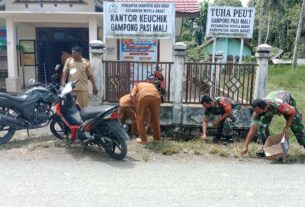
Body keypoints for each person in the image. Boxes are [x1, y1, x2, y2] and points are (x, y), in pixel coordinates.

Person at [241, 90, 305, 157]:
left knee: (297, 127)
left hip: (287, 100)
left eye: (257, 111)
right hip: (271, 101)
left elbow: (292, 112)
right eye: (255, 111)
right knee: (262, 127)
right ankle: (268, 149)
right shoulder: (257, 113)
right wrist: (245, 146)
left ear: (265, 108)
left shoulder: (279, 105)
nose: (256, 113)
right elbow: (252, 130)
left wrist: (286, 128)